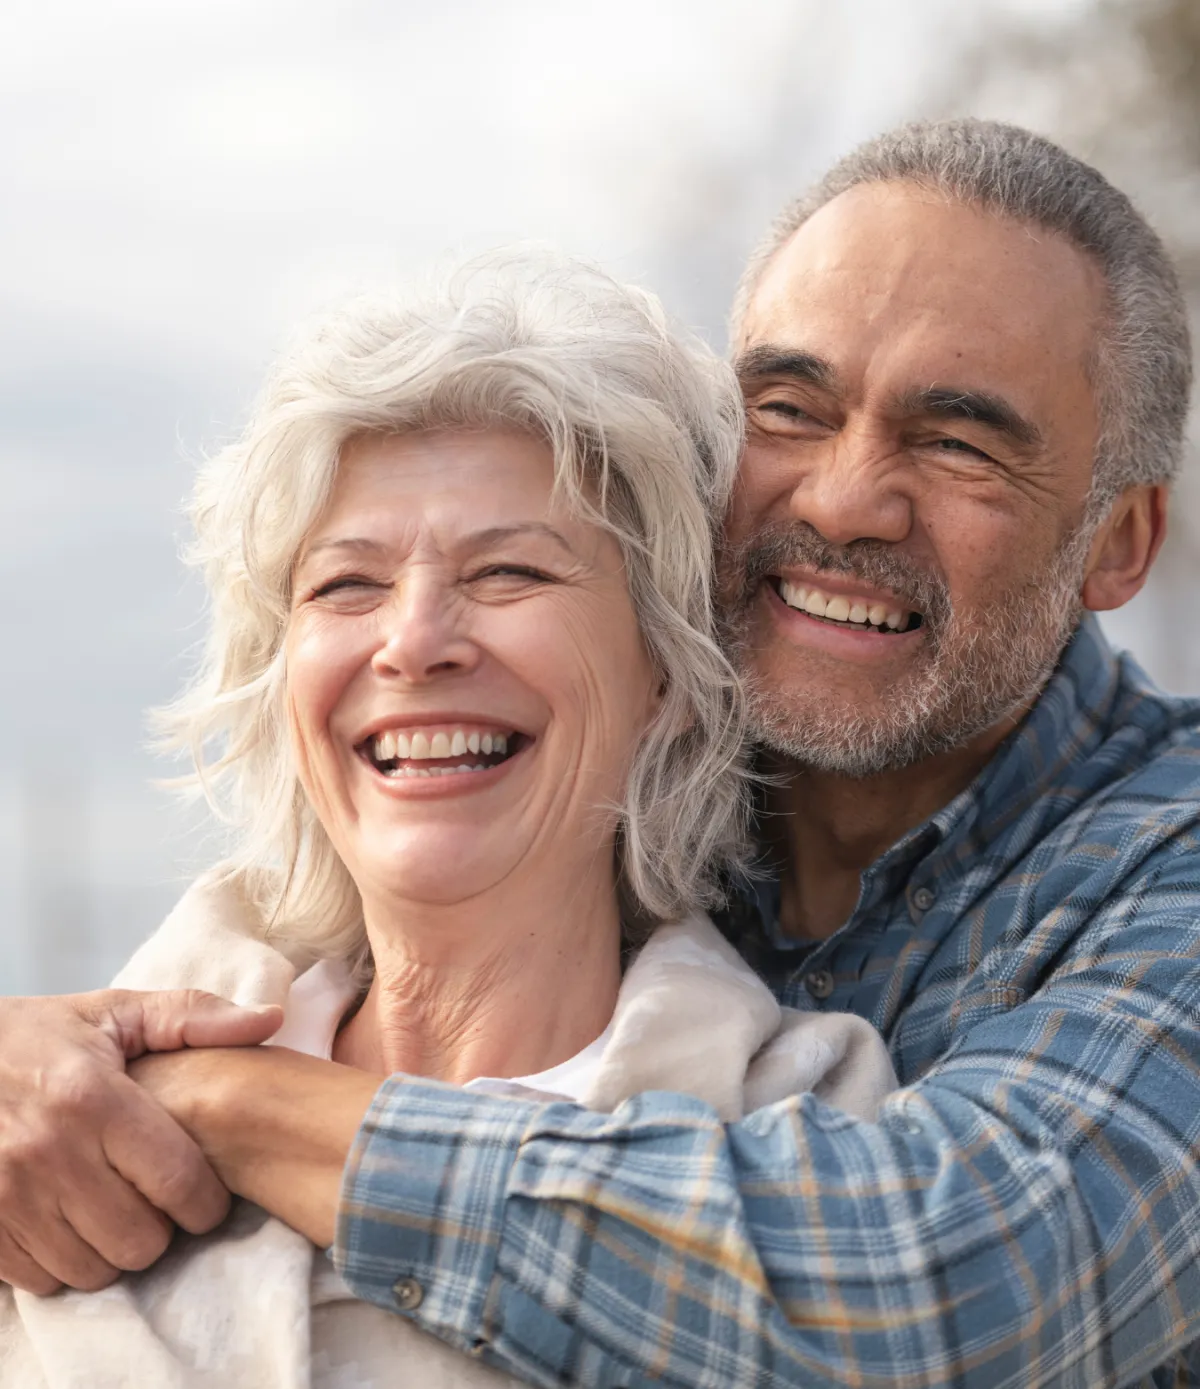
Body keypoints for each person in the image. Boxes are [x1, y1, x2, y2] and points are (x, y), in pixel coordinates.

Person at [1, 116, 1198, 1388]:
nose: (845, 499)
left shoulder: (1159, 871)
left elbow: (951, 1288)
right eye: (788, 409)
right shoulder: (561, 790)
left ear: (1119, 542)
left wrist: (224, 1108)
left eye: (958, 442)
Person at [0, 251, 897, 1388]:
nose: (414, 641)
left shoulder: (813, 1132)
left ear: (664, 675)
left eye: (511, 571)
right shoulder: (48, 1120)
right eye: (346, 586)